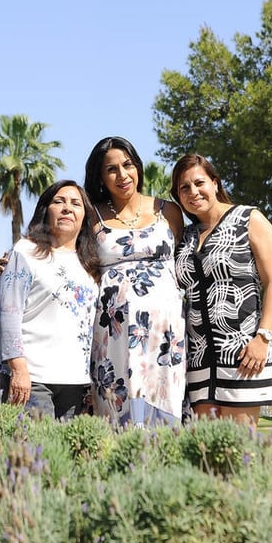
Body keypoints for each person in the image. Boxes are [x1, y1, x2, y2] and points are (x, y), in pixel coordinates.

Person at [171, 154, 272, 428]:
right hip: (199, 359)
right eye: (184, 188)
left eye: (199, 183)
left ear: (215, 182)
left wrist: (263, 338)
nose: (193, 192)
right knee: (206, 454)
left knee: (239, 448)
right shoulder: (186, 236)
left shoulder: (249, 219)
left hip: (244, 353)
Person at [83, 135, 187, 427]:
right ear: (101, 177)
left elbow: (183, 259)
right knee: (118, 409)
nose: (122, 175)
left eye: (127, 165)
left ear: (137, 166)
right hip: (112, 332)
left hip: (165, 332)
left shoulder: (168, 212)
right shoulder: (93, 217)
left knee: (163, 408)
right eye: (111, 169)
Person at [0, 180, 100, 420]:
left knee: (69, 456)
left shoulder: (91, 263)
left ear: (85, 215)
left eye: (75, 203)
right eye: (58, 202)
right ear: (45, 209)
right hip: (32, 379)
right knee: (33, 453)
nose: (67, 208)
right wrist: (18, 370)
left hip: (77, 382)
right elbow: (7, 314)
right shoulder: (25, 252)